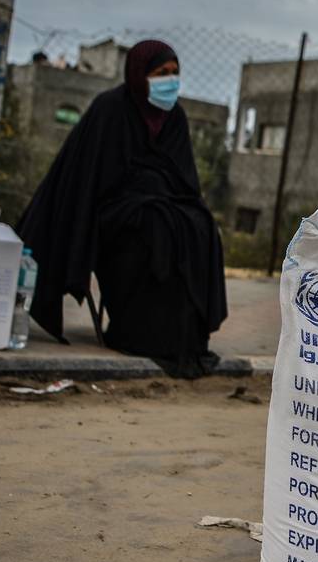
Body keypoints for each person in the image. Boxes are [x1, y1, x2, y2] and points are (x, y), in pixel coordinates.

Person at [17, 40, 228, 378]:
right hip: (114, 210)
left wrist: (162, 196)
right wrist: (146, 193)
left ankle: (185, 337)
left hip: (162, 204)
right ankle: (137, 331)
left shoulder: (175, 117)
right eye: (162, 74)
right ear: (139, 74)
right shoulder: (110, 109)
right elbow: (88, 179)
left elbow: (183, 179)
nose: (170, 81)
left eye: (175, 73)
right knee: (154, 227)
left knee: (198, 226)